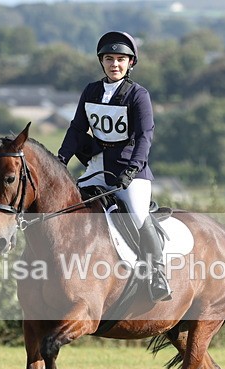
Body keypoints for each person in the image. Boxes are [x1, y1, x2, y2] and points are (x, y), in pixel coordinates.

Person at [58, 30, 172, 302]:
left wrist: (132, 170)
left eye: (121, 59)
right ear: (102, 62)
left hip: (130, 173)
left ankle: (158, 274)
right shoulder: (92, 91)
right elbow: (77, 129)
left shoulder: (137, 95)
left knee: (136, 214)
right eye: (109, 59)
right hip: (97, 167)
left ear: (130, 63)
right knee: (68, 206)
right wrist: (60, 159)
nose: (114, 64)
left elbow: (145, 136)